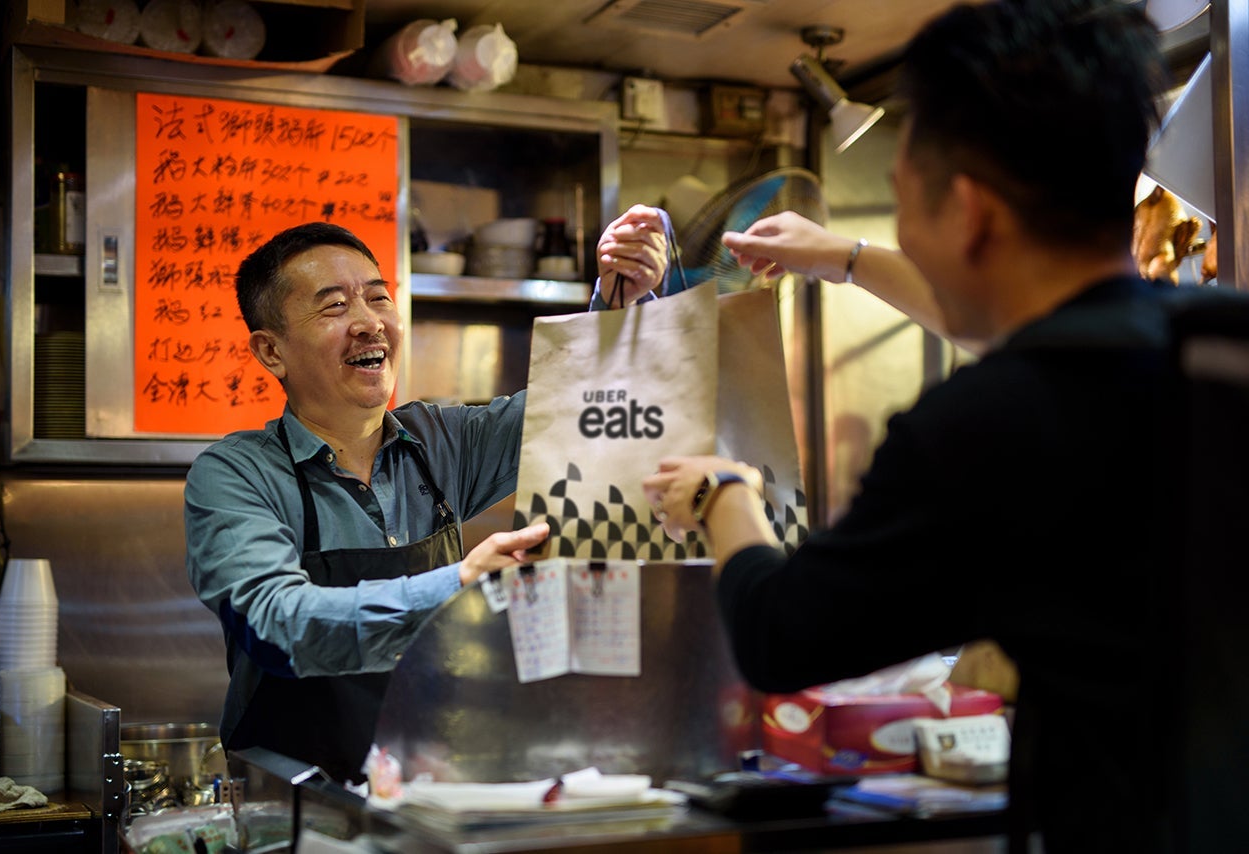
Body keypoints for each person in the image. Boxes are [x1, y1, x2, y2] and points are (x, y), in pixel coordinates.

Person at [644, 1, 1196, 850]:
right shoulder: (1216, 347)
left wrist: (725, 494)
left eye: (902, 198)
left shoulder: (985, 426)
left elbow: (782, 636)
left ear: (967, 211)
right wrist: (844, 257)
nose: (899, 226)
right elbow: (1021, 323)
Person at [185, 207, 666, 783]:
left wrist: (616, 303)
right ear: (271, 352)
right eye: (335, 305)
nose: (368, 323)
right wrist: (459, 584)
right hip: (297, 807)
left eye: (378, 298)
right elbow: (276, 622)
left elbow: (569, 405)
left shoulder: (443, 442)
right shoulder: (236, 476)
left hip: (429, 789)